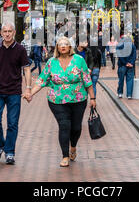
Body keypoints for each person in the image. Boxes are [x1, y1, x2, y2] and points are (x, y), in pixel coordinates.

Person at [28, 36, 96, 167]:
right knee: (64, 125)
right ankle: (65, 156)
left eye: (66, 44)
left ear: (70, 47)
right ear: (57, 47)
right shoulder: (51, 62)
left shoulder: (79, 60)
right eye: (60, 44)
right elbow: (42, 80)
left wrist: (93, 98)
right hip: (57, 100)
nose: (63, 46)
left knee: (76, 127)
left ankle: (73, 147)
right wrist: (30, 93)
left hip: (78, 99)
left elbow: (87, 80)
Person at [0, 23, 32, 165]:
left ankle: (9, 152)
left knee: (12, 123)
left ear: (14, 32)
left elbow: (26, 69)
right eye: (5, 31)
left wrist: (28, 88)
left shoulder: (20, 50)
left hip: (14, 91)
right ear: (1, 33)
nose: (7, 34)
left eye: (10, 31)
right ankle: (0, 146)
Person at [116, 35, 136, 99]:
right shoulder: (132, 46)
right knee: (130, 80)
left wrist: (125, 63)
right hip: (130, 65)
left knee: (121, 80)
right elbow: (134, 55)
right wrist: (131, 63)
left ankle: (120, 93)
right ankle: (129, 94)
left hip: (122, 65)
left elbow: (120, 56)